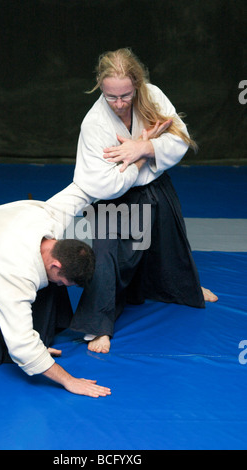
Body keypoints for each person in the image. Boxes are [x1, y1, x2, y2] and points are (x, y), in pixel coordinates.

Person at [47, 47, 217, 354]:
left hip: (154, 185)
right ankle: (99, 326)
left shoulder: (152, 95)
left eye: (125, 95)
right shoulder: (95, 123)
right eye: (111, 96)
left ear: (136, 85)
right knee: (108, 254)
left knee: (170, 239)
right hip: (115, 199)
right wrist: (141, 152)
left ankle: (186, 290)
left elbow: (180, 139)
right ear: (101, 87)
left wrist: (144, 148)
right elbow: (103, 183)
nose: (119, 103)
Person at [0, 201, 111, 398]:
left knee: (50, 289)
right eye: (62, 281)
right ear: (57, 265)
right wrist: (69, 380)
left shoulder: (50, 216)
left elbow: (86, 186)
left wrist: (134, 169)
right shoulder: (16, 275)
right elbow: (22, 346)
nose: (60, 285)